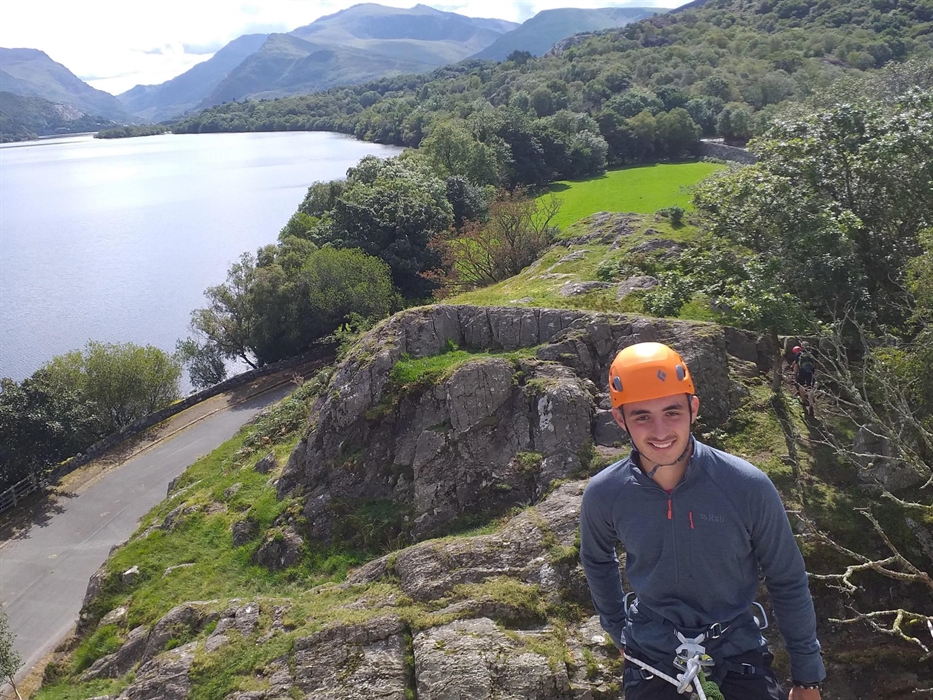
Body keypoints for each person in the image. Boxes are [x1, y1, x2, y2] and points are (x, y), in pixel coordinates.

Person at [579, 342, 825, 699]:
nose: (660, 431)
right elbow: (596, 560)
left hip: (737, 653)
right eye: (642, 416)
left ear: (693, 408)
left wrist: (807, 677)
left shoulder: (745, 486)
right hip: (652, 658)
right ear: (620, 419)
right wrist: (618, 629)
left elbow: (786, 578)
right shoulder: (605, 494)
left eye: (672, 412)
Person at [791, 343, 816, 415]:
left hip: (802, 373)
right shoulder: (812, 354)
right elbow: (815, 364)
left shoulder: (798, 354)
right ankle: (811, 405)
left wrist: (794, 373)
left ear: (801, 347)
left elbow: (796, 365)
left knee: (801, 385)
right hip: (811, 373)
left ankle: (804, 400)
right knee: (810, 388)